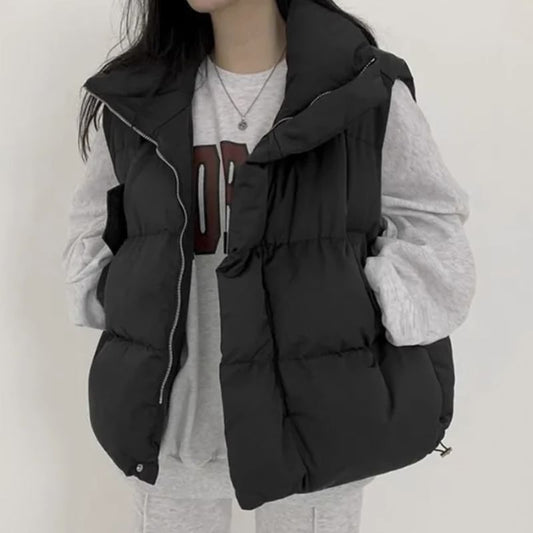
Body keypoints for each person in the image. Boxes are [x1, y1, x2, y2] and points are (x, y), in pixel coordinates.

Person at [62, 0, 476, 531]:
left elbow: (433, 227)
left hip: (321, 421)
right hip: (172, 426)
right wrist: (124, 296)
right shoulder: (134, 98)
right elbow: (91, 230)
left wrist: (363, 300)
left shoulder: (360, 88)